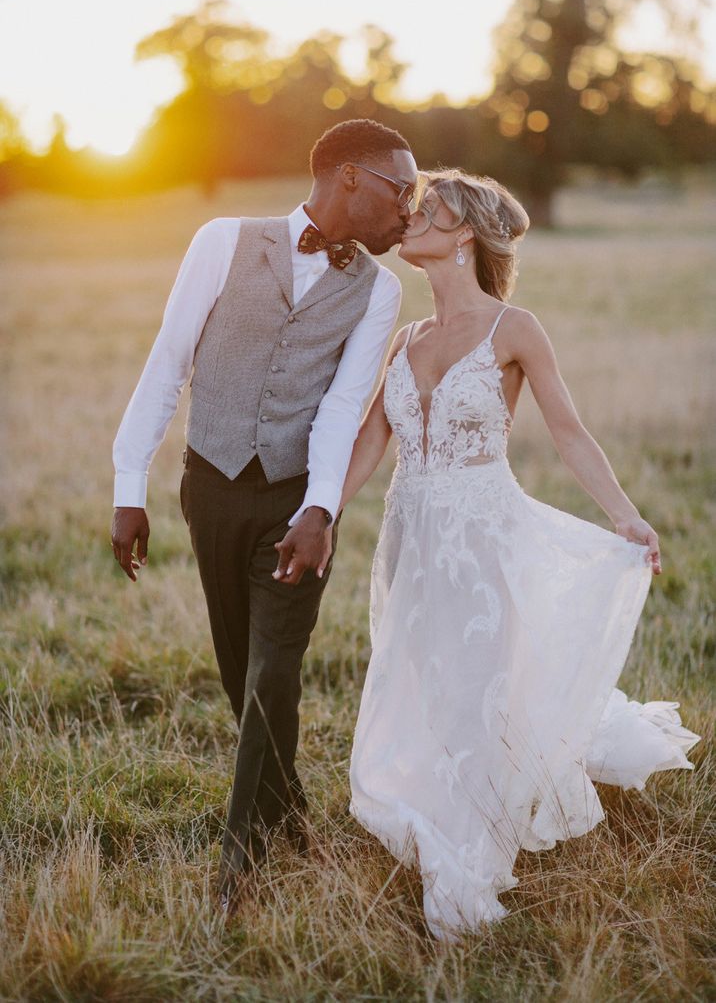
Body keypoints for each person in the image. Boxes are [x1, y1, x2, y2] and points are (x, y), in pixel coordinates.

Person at [321, 168, 700, 941]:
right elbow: (369, 440)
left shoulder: (513, 329)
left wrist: (626, 516)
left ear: (464, 236)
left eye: (432, 210)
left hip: (483, 541)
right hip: (413, 543)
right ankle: (441, 804)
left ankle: (473, 850)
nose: (414, 216)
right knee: (426, 687)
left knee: (480, 691)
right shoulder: (407, 338)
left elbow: (568, 432)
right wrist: (321, 513)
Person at [111, 119, 418, 907]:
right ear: (349, 177)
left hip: (296, 502)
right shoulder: (221, 239)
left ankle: (236, 867)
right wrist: (128, 486)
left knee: (272, 669)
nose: (409, 212)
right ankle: (293, 823)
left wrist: (319, 509)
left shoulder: (381, 290)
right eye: (400, 190)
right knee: (241, 674)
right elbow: (168, 361)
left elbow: (345, 405)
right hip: (209, 489)